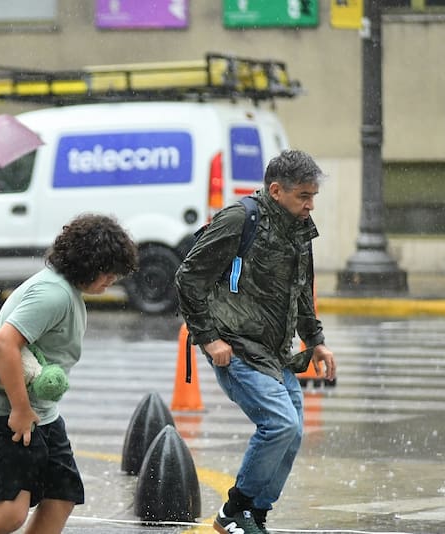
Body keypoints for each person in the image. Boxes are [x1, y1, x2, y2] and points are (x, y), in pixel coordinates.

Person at [0, 213, 138, 534]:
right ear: (87, 264)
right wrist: (21, 410)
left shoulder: (65, 289)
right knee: (8, 513)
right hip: (2, 417)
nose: (111, 280)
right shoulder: (53, 295)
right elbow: (3, 344)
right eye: (107, 272)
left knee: (60, 496)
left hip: (42, 415)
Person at [175, 149, 336, 534]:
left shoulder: (299, 228)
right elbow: (187, 278)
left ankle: (254, 516)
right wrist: (209, 339)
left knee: (293, 431)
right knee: (278, 424)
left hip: (275, 350)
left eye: (313, 196)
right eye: (304, 196)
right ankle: (236, 510)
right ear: (277, 190)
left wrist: (315, 342)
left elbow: (301, 291)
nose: (310, 205)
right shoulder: (239, 219)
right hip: (237, 345)